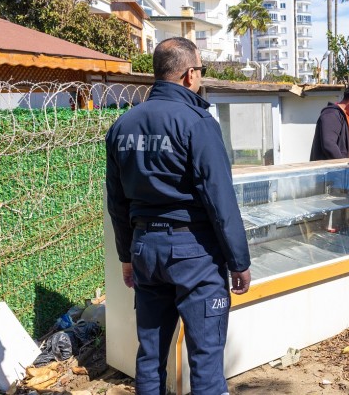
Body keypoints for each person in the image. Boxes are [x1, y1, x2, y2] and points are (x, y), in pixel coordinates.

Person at [105, 37, 251, 395]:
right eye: (200, 71)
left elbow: (117, 201)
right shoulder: (197, 122)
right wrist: (239, 261)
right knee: (205, 360)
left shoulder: (122, 127)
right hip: (193, 254)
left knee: (151, 355)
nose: (200, 78)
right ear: (189, 74)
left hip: (145, 251)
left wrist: (127, 256)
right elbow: (220, 198)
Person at [309, 82, 349, 160]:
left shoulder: (345, 117)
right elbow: (329, 145)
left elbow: (347, 149)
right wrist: (343, 166)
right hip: (333, 171)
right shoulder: (331, 115)